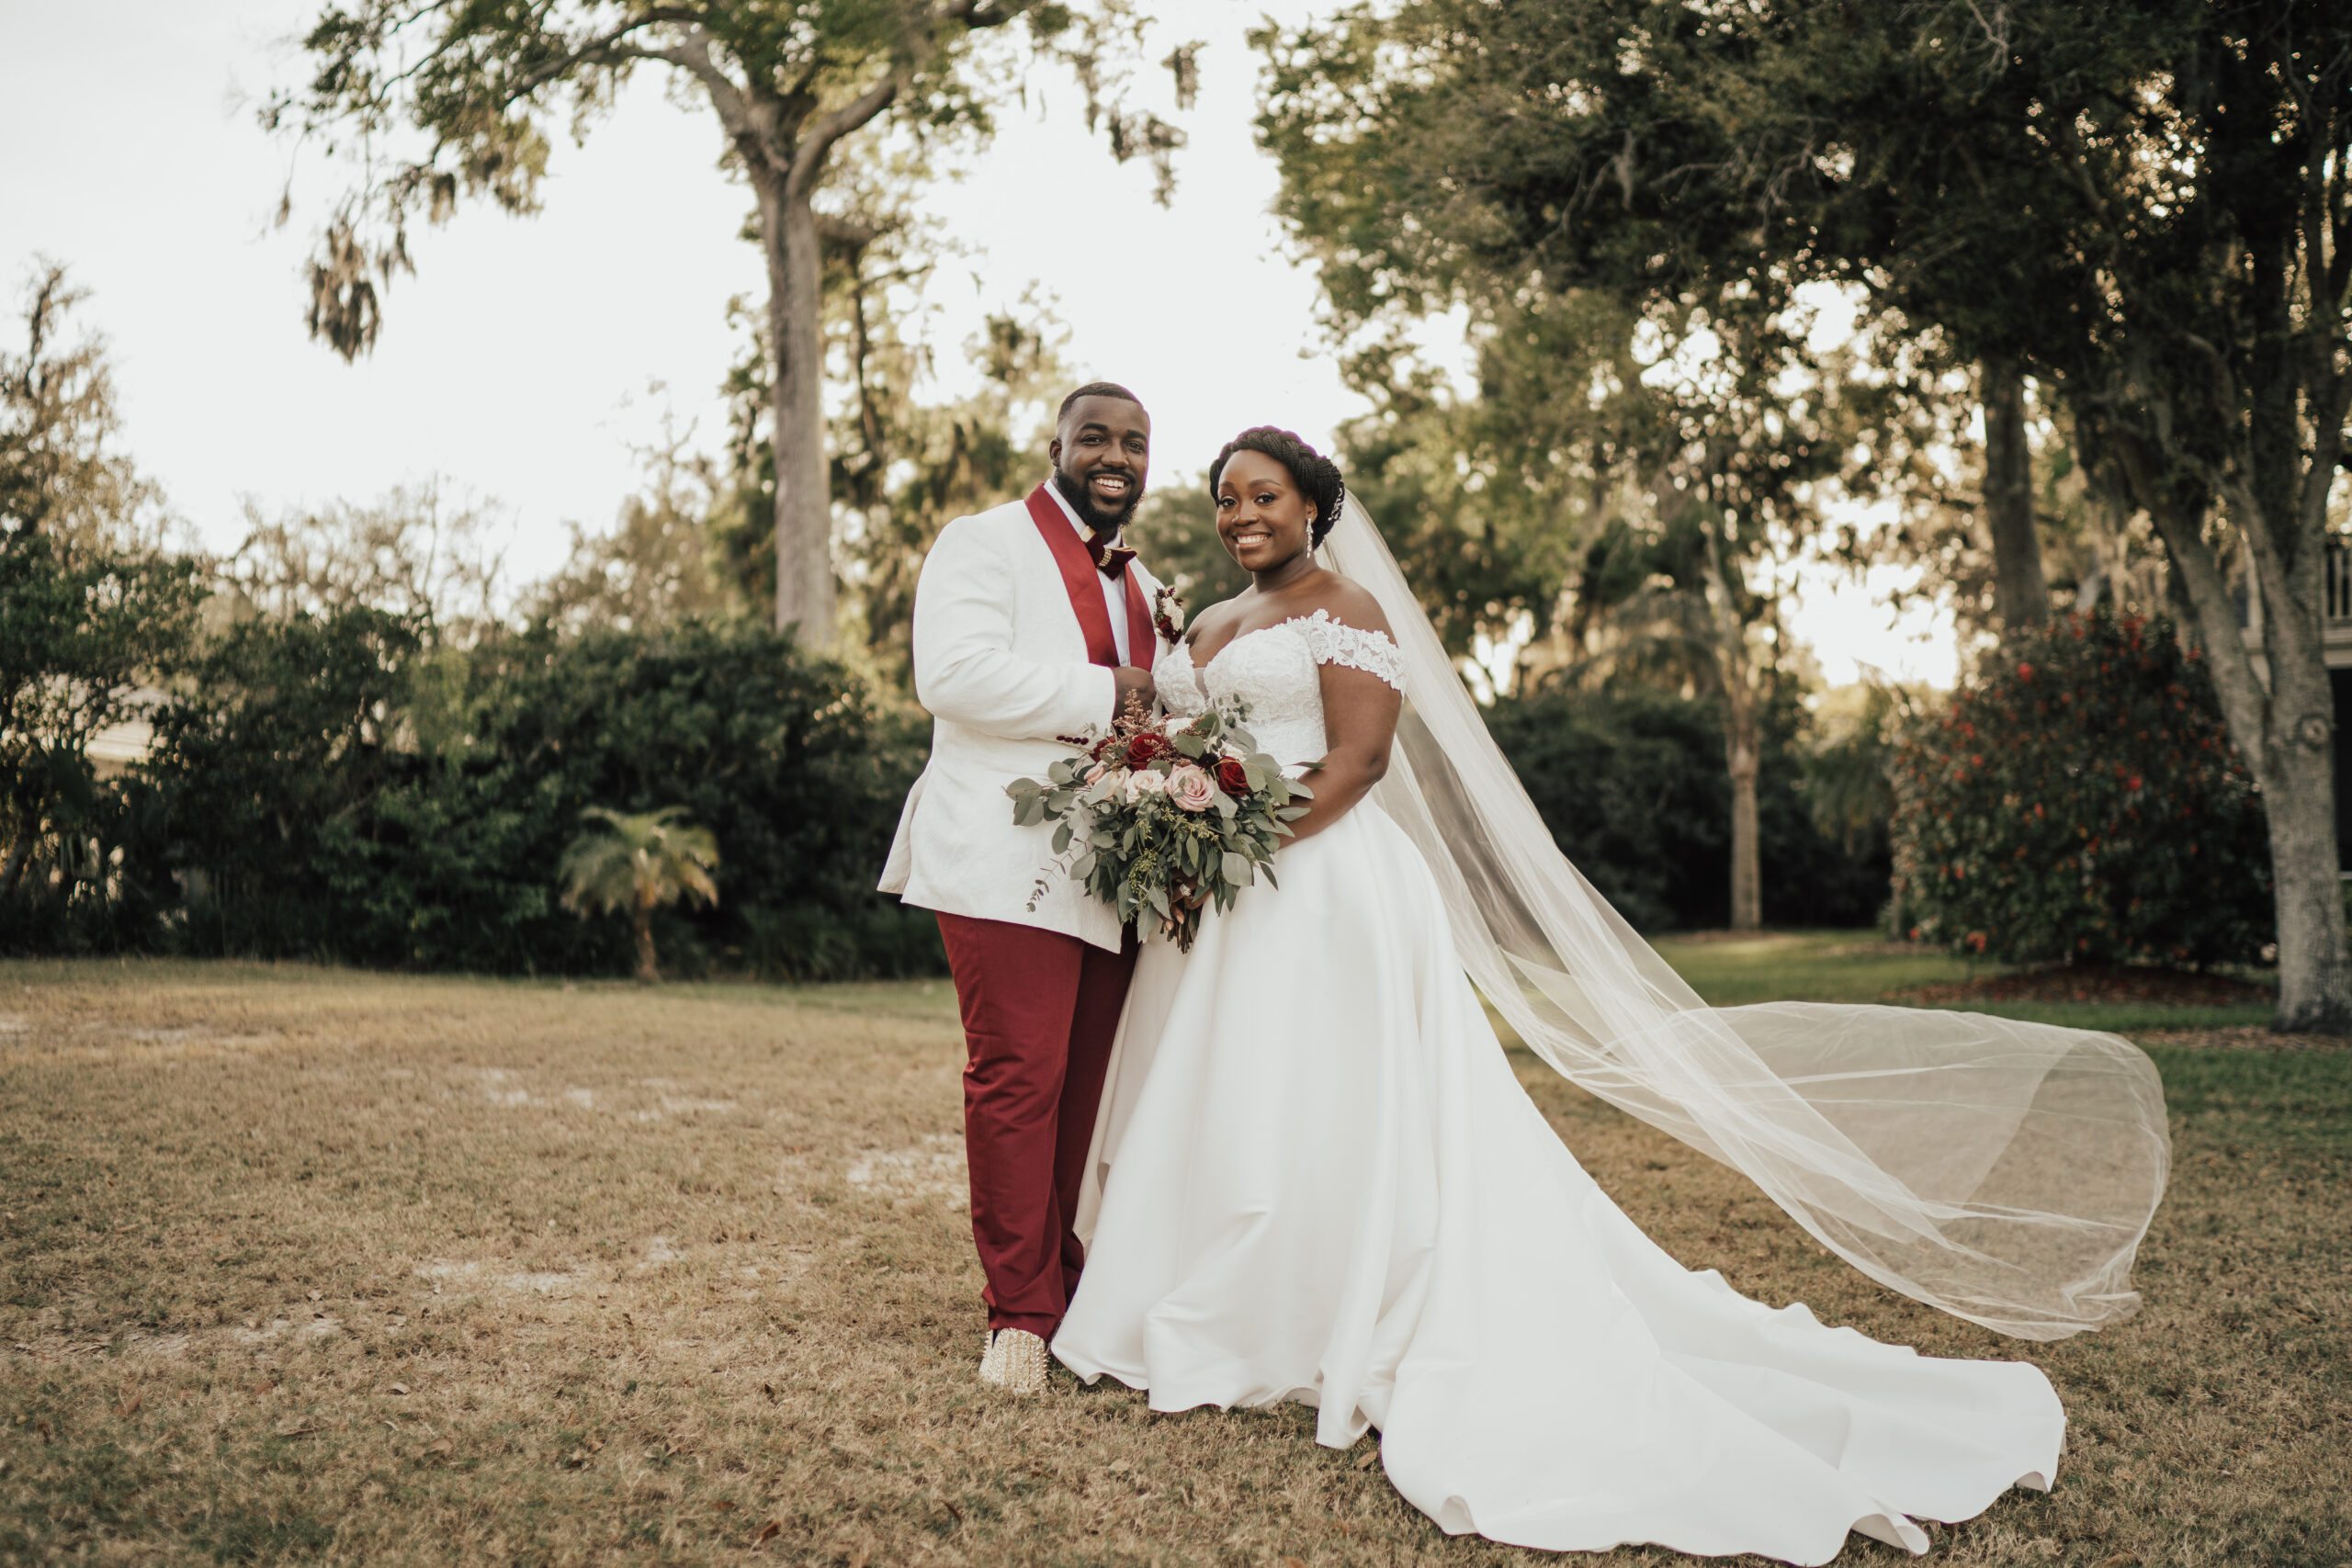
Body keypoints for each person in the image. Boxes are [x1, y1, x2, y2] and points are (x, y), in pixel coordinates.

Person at [1050, 427, 2172, 1563]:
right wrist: (1184, 838)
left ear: (1313, 506)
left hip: (1320, 885)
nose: (1242, 514)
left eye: (1265, 496)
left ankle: (1307, 1300)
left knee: (1327, 1099)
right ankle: (1214, 1292)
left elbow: (1358, 765)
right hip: (1226, 896)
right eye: (1227, 499)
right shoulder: (1205, 625)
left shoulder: (1346, 609)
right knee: (1233, 1095)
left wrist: (1239, 836)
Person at [878, 382, 1170, 1394]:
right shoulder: (983, 540)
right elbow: (951, 676)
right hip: (1001, 859)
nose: (1115, 455)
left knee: (1083, 1094)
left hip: (1111, 870)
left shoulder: (1142, 584)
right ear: (1055, 445)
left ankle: (1067, 1287)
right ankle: (1016, 1316)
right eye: (1095, 435)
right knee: (1018, 1081)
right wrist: (1112, 694)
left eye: (1135, 442)